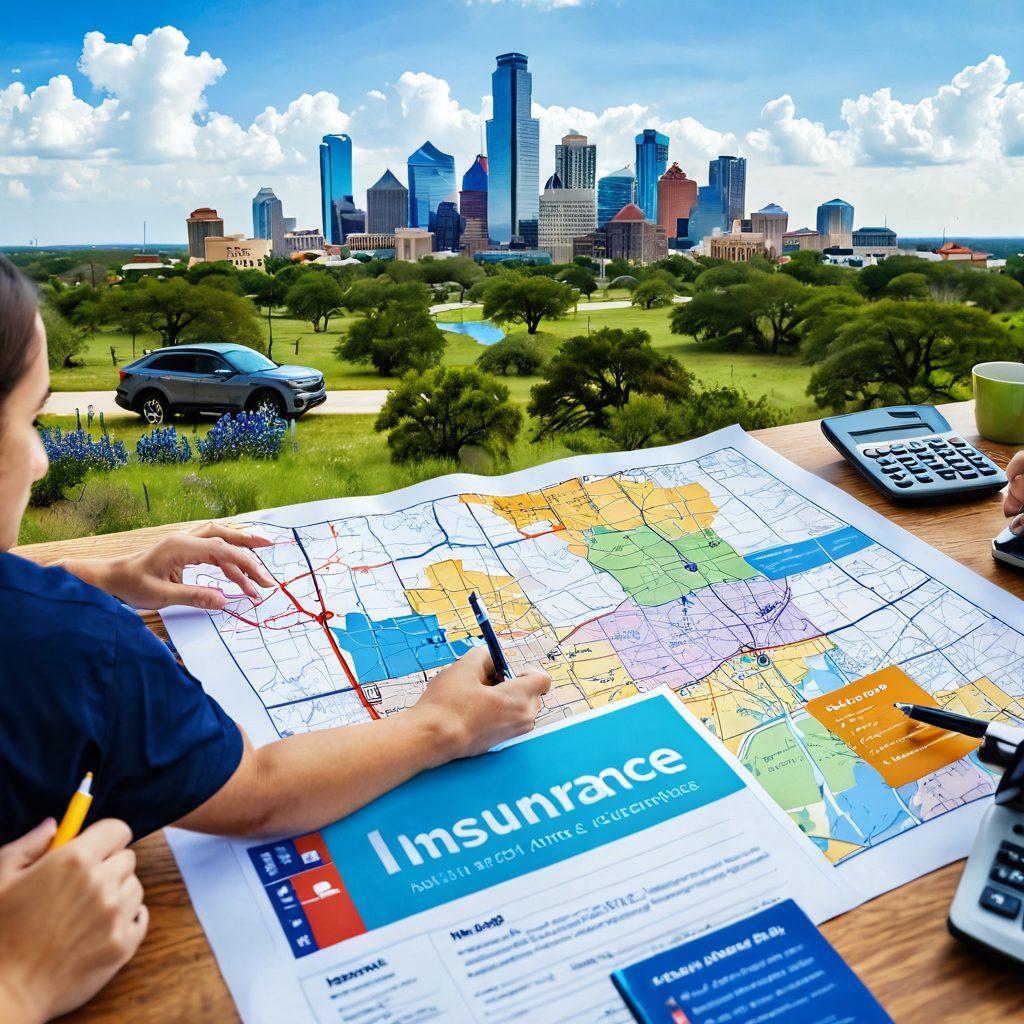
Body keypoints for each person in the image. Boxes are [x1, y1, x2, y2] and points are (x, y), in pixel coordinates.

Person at [0, 254, 551, 1020]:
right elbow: (255, 796)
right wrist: (444, 725)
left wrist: (105, 575)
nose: (43, 455)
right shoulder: (82, 650)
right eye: (28, 419)